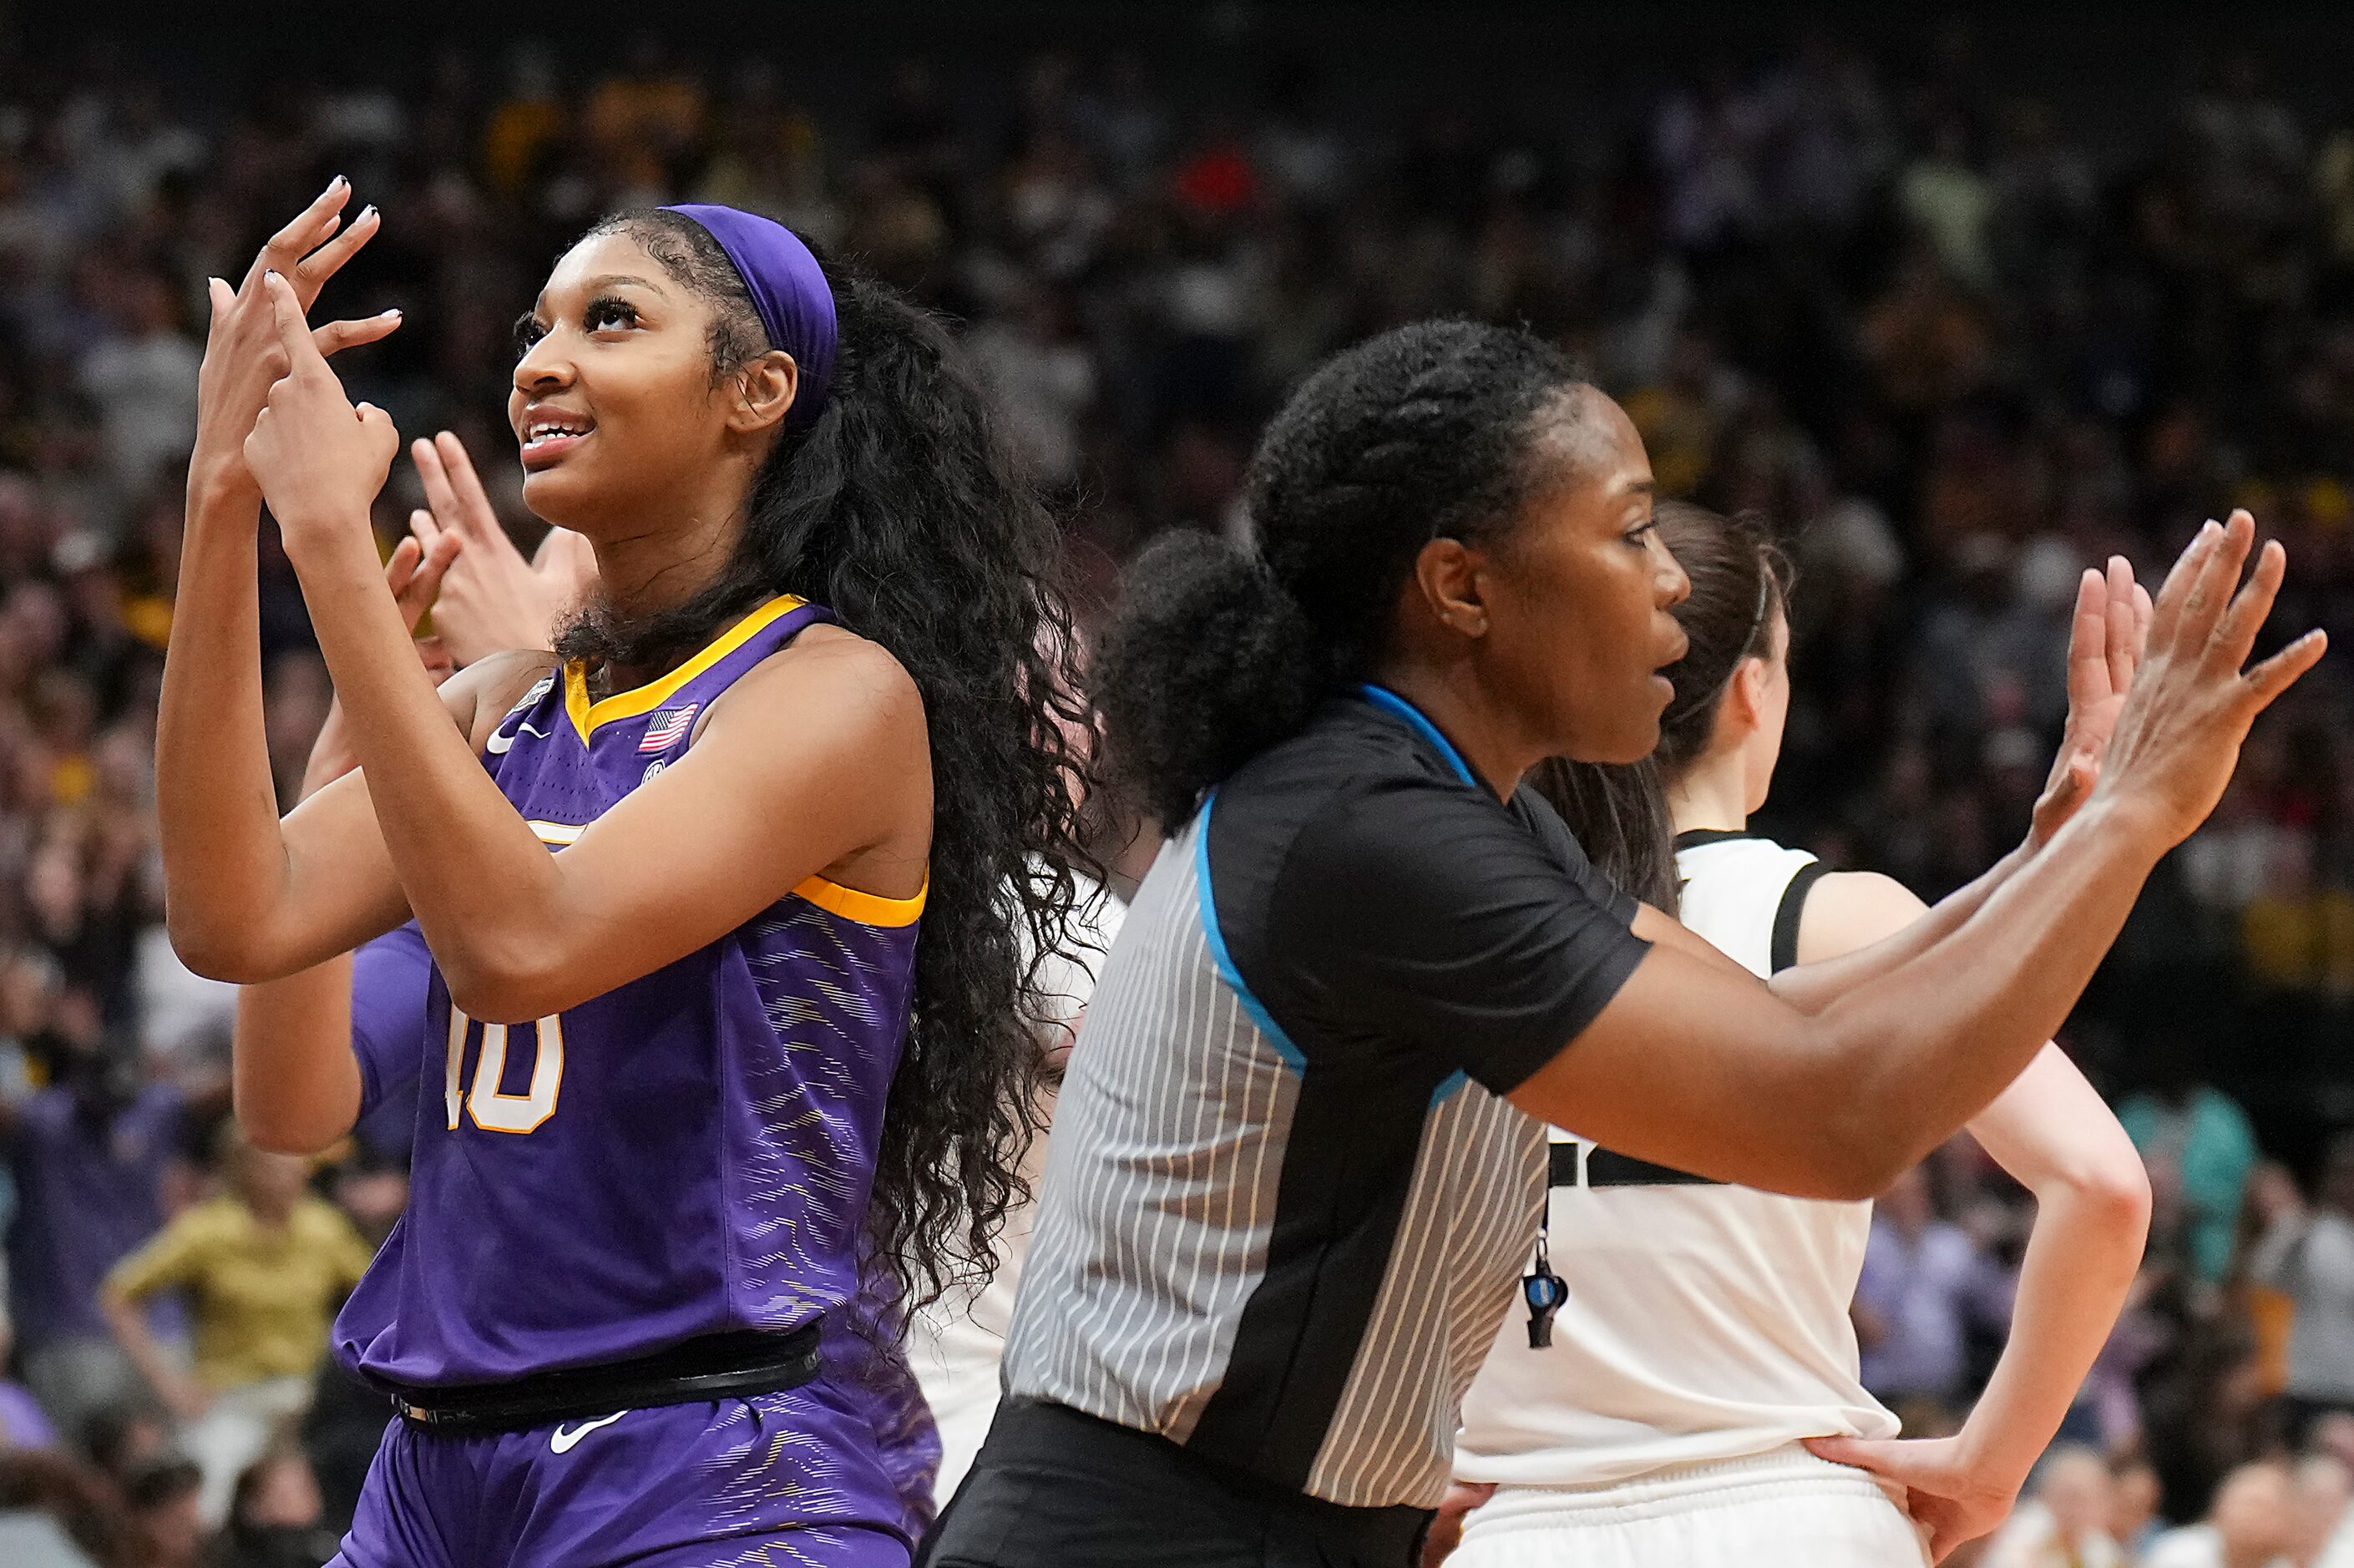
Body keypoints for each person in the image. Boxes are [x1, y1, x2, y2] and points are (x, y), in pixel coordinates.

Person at [922, 317, 2322, 1568]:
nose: (1668, 584)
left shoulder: (1426, 802)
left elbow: (1778, 1010)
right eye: (1629, 531)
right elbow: (1832, 1109)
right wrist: (2131, 823)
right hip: (1156, 1522)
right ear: (1459, 585)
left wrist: (2059, 846)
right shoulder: (1372, 834)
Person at [154, 181, 1093, 1568]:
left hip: (715, 1457)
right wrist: (221, 503)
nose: (540, 359)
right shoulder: (503, 700)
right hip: (437, 1466)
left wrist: (330, 547)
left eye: (609, 320)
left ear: (755, 390)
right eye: (536, 326)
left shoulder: (834, 695)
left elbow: (522, 943)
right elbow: (240, 914)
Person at [1450, 500, 2153, 1565]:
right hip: (1793, 1513)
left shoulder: (1441, 918)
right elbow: (2101, 1184)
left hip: (1517, 1525)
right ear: (1749, 690)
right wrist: (1989, 1465)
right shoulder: (1835, 918)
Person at [99, 1124, 372, 1526]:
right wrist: (169, 1384)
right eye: (272, 1162)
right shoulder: (206, 1231)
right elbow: (119, 1295)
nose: (287, 1172)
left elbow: (376, 1295)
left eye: (294, 1161)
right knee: (207, 1508)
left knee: (349, 1490)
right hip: (231, 1398)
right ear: (241, 1169)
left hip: (307, 1403)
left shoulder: (324, 1228)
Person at [2250, 1131, 2354, 1444]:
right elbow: (2262, 1274)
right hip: (2307, 1383)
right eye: (2343, 1175)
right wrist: (2291, 1226)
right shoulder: (2306, 1232)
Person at [2141, 1459, 2295, 1568]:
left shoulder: (2282, 1564)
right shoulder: (2179, 1555)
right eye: (2248, 1505)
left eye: (2266, 1511)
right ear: (2219, 1508)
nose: (2252, 1517)